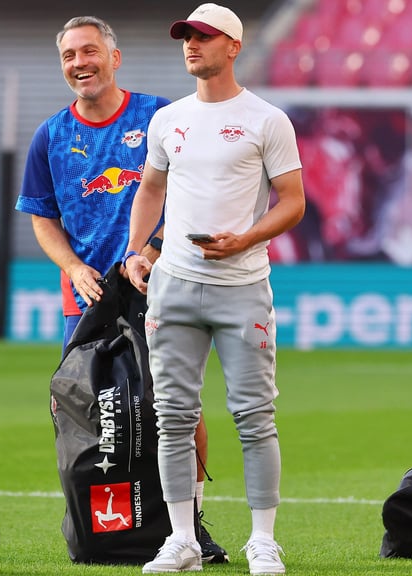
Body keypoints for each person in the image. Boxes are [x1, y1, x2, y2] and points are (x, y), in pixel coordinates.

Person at [15, 15, 228, 564]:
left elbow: (192, 193)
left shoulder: (159, 115)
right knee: (93, 412)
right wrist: (72, 266)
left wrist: (152, 250)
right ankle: (102, 527)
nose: (79, 63)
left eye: (89, 51)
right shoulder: (50, 135)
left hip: (162, 284)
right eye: (69, 56)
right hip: (88, 299)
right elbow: (42, 216)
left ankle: (191, 526)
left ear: (114, 58)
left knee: (179, 407)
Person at [122, 3, 305, 574]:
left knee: (255, 416)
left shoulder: (267, 119)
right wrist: (135, 250)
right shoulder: (167, 119)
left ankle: (263, 541)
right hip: (173, 285)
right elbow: (150, 189)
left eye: (204, 36)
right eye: (186, 36)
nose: (191, 44)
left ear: (233, 46)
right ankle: (183, 540)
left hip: (242, 286)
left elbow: (294, 202)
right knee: (173, 416)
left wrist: (245, 238)